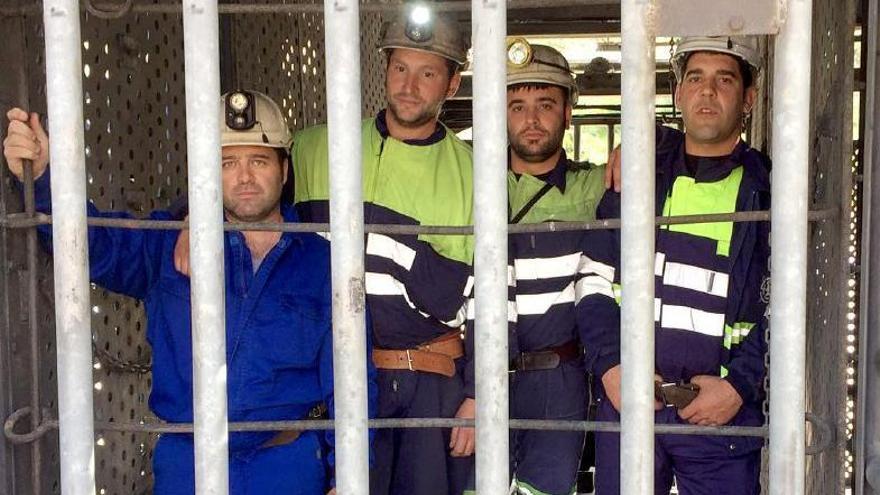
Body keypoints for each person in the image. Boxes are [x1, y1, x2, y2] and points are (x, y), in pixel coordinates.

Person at [3, 90, 377, 495]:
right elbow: (93, 242)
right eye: (227, 163)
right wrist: (41, 178)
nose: (245, 177)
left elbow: (352, 381)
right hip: (189, 462)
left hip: (287, 464)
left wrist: (348, 476)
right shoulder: (167, 244)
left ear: (284, 171)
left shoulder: (323, 263)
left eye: (259, 160)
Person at [289, 6, 476, 495]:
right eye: (400, 68)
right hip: (333, 379)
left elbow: (496, 296)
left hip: (430, 385)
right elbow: (242, 186)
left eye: (428, 72)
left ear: (452, 84)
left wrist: (480, 393)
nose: (409, 85)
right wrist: (191, 220)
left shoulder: (477, 175)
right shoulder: (313, 150)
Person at [579, 36, 771, 494]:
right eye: (695, 79)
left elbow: (788, 305)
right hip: (631, 406)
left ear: (748, 98)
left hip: (720, 419)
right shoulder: (639, 175)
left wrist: (740, 387)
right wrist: (611, 369)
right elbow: (593, 279)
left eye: (724, 79)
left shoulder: (768, 191)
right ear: (678, 93)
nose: (708, 92)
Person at [465, 41, 606, 495]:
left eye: (546, 104)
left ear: (568, 112)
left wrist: (644, 148)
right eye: (517, 105)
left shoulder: (595, 185)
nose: (531, 119)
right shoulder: (468, 177)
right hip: (476, 373)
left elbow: (667, 154)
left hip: (557, 381)